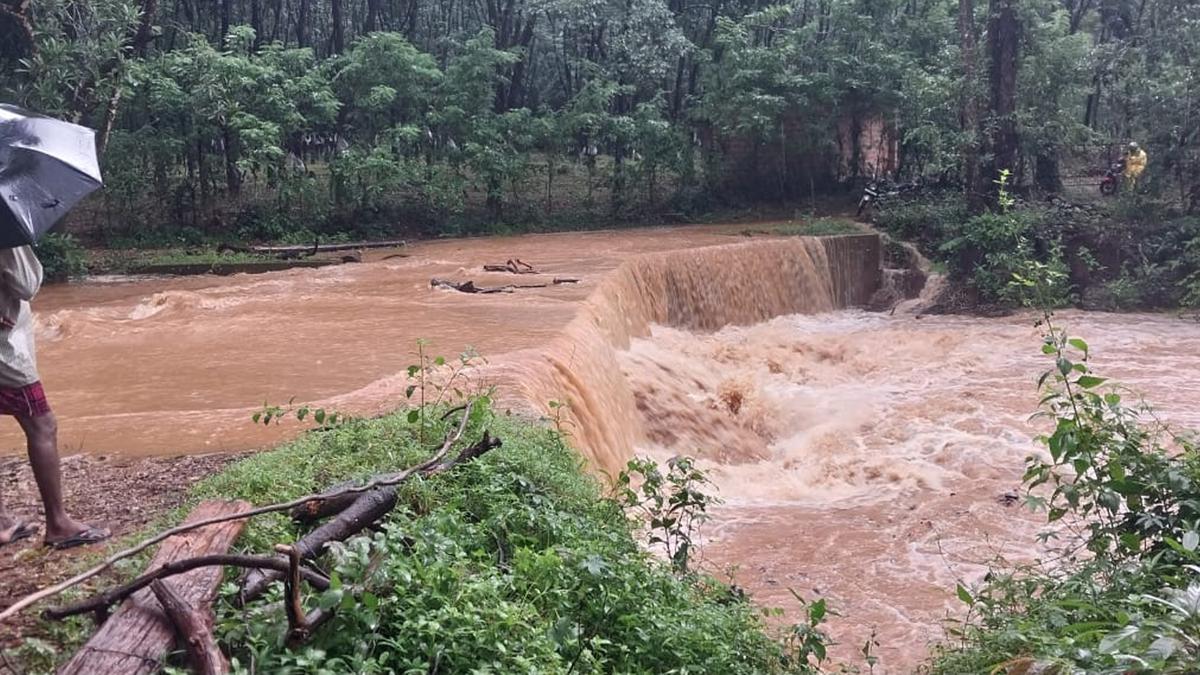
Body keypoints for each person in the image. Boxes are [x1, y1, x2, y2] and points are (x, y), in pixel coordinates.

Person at [0, 245, 109, 550]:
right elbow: (27, 284)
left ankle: (1, 522)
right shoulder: (6, 234)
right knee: (42, 424)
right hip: (5, 351)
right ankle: (58, 524)